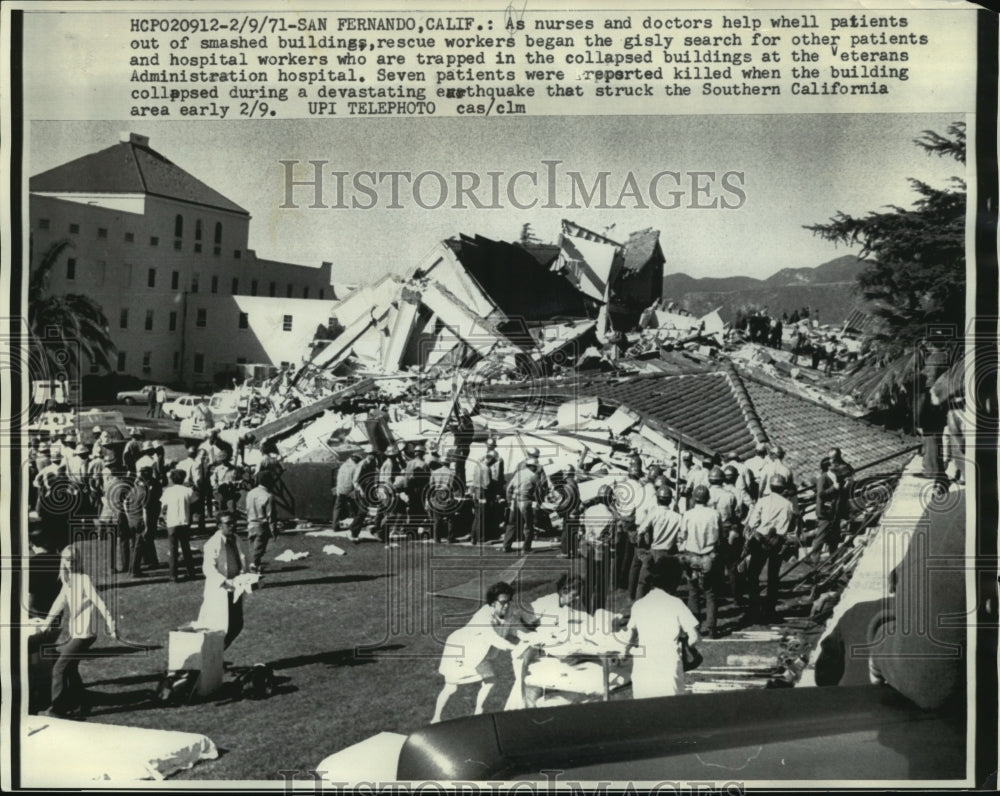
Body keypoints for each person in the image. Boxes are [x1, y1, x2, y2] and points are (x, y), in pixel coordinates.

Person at [40, 545, 118, 717]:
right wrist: (46, 624)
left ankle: (57, 709)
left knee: (59, 669)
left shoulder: (83, 580)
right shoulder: (68, 581)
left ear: (78, 561)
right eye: (67, 559)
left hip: (85, 635)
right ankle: (81, 699)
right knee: (71, 668)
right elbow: (59, 603)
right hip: (77, 633)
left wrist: (111, 625)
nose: (70, 563)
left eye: (73, 560)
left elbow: (99, 602)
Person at [431, 581, 522, 723]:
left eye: (509, 601)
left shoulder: (507, 612)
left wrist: (530, 638)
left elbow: (514, 629)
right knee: (451, 688)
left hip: (479, 652)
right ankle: (436, 718)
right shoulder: (483, 616)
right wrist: (516, 647)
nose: (507, 605)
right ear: (492, 602)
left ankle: (478, 713)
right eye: (503, 602)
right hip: (459, 648)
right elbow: (493, 638)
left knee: (490, 681)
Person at [624, 558, 701, 700]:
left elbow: (629, 638)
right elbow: (694, 637)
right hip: (668, 665)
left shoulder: (639, 605)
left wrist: (624, 653)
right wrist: (685, 646)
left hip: (643, 666)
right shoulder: (676, 603)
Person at [743, 473, 798, 623]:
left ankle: (754, 607)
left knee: (753, 574)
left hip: (761, 540)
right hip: (777, 541)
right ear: (783, 488)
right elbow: (790, 525)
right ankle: (770, 609)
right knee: (773, 576)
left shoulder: (762, 501)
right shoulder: (788, 504)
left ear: (771, 486)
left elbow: (753, 522)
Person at [197, 511, 246, 649]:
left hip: (236, 588)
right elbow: (208, 569)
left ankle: (217, 655)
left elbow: (244, 558)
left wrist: (250, 571)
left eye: (233, 522)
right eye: (228, 523)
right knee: (220, 626)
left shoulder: (237, 539)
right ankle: (212, 659)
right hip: (220, 590)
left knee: (237, 624)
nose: (233, 525)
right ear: (219, 526)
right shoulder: (212, 544)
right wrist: (223, 581)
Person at [680, 485, 722, 638]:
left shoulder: (688, 514)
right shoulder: (714, 514)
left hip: (691, 556)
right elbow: (719, 536)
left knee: (693, 593)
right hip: (708, 556)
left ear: (693, 498)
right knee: (711, 594)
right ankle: (712, 628)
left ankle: (695, 628)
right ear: (708, 498)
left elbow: (682, 535)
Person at [632, 481, 683, 600]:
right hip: (670, 552)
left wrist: (641, 544)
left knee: (643, 582)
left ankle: (639, 606)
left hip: (655, 551)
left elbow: (641, 531)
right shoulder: (677, 517)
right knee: (668, 585)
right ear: (670, 500)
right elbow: (682, 534)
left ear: (657, 499)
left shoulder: (653, 513)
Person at [161, 468, 197, 582]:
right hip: (184, 522)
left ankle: (173, 574)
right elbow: (194, 503)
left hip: (172, 522)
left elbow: (163, 507)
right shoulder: (188, 491)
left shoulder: (168, 491)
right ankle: (191, 572)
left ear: (172, 479)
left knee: (173, 549)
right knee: (186, 548)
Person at [503, 453, 543, 554]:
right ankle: (526, 548)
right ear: (533, 466)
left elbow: (509, 488)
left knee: (511, 524)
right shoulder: (534, 476)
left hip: (514, 501)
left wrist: (509, 501)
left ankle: (506, 546)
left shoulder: (518, 473)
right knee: (529, 525)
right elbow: (539, 491)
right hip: (525, 501)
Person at [809, 457, 841, 559]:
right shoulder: (823, 478)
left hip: (834, 512)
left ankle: (833, 559)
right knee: (821, 536)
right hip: (825, 511)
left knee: (834, 537)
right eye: (833, 463)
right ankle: (814, 558)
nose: (836, 465)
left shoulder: (835, 476)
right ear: (828, 466)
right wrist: (834, 488)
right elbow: (821, 494)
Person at [246, 472, 277, 572]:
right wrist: (273, 530)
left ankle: (255, 566)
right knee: (259, 549)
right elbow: (271, 516)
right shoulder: (268, 496)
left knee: (253, 548)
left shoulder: (250, 493)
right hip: (262, 525)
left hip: (251, 524)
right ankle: (254, 568)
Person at [331, 452, 360, 532]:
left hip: (340, 489)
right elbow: (355, 480)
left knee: (337, 508)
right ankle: (355, 524)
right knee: (355, 508)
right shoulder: (355, 467)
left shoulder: (343, 466)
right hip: (349, 490)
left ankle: (335, 526)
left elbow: (339, 478)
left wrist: (338, 489)